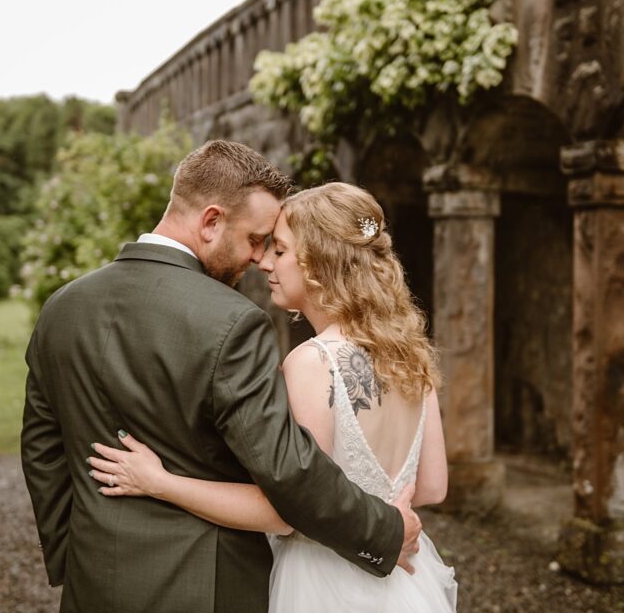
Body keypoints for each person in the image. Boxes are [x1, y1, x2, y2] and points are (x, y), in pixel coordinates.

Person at [21, 141, 421, 613]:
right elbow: (288, 469)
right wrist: (384, 532)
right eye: (255, 239)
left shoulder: (63, 307)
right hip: (206, 589)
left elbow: (41, 450)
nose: (259, 258)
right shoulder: (232, 321)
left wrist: (75, 553)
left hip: (92, 581)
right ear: (211, 222)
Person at [89, 181, 458, 612]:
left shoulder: (313, 362)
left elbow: (282, 511)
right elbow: (432, 487)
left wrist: (159, 482)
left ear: (319, 263)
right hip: (405, 584)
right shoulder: (410, 356)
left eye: (279, 250)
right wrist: (384, 515)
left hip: (323, 583)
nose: (263, 262)